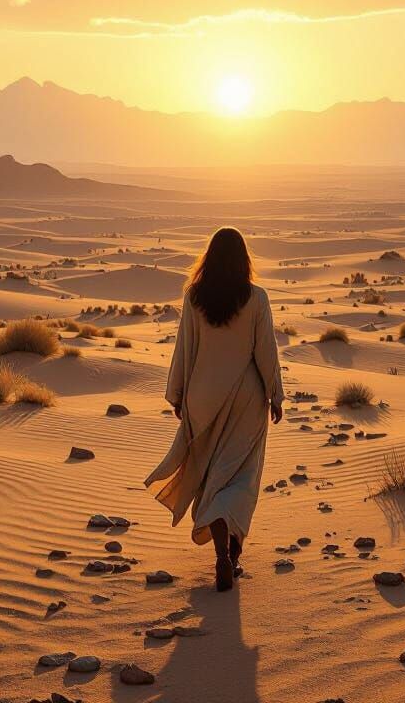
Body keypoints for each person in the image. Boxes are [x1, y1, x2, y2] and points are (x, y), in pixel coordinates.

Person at [145, 227, 284, 591]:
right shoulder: (256, 298)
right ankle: (230, 556)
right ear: (244, 260)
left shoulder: (194, 298)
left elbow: (184, 350)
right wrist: (276, 394)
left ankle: (223, 555)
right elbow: (266, 352)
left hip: (203, 398)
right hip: (246, 400)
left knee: (212, 477)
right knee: (241, 477)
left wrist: (177, 394)